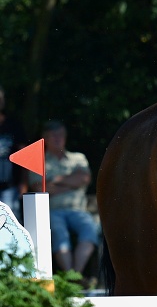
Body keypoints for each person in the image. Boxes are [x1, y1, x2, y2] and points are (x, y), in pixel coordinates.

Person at [27, 120, 99, 283]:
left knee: (90, 230)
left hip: (79, 210)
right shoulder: (38, 161)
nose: (58, 139)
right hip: (52, 211)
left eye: (61, 135)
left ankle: (73, 276)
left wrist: (55, 180)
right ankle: (74, 278)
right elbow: (40, 189)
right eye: (54, 136)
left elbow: (85, 178)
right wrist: (71, 184)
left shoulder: (78, 158)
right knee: (60, 235)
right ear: (45, 139)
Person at [0, 84, 28, 221]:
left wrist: (24, 183)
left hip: (9, 188)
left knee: (10, 226)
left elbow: (24, 155)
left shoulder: (14, 125)